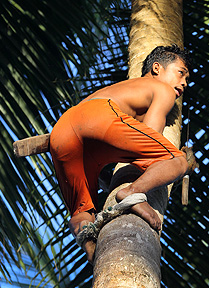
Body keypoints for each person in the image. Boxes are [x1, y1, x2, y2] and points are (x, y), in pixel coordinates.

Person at [49, 45, 191, 261]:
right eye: (181, 73)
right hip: (98, 117)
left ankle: (92, 249)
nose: (184, 83)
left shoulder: (127, 88)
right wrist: (177, 162)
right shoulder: (161, 89)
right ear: (157, 68)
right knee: (177, 161)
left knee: (82, 210)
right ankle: (133, 193)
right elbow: (152, 138)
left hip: (61, 132)